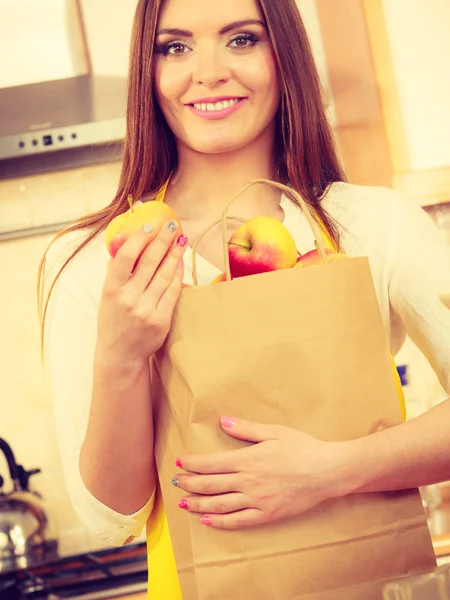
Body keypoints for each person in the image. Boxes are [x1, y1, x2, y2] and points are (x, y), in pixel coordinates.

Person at [38, 0, 450, 597]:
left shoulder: (373, 226)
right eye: (174, 47)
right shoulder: (93, 261)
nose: (207, 71)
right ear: (146, 71)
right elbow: (112, 515)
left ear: (285, 56)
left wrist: (334, 472)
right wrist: (121, 356)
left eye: (241, 39)